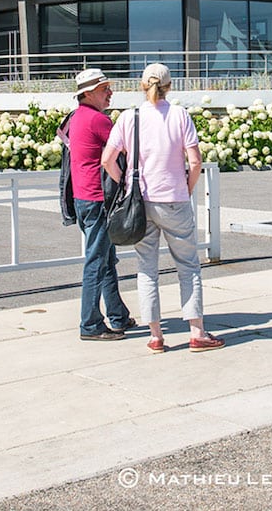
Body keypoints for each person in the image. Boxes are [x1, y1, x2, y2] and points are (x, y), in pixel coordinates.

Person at [102, 63, 224, 354]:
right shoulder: (180, 115)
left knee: (146, 269)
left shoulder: (129, 117)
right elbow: (195, 162)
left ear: (142, 86)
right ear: (170, 86)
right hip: (175, 199)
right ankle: (197, 332)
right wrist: (187, 187)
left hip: (141, 202)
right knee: (188, 267)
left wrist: (125, 186)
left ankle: (156, 336)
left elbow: (107, 160)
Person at [68, 68, 136, 342]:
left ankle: (118, 315)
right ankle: (90, 324)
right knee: (97, 261)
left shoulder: (76, 118)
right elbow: (127, 150)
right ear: (88, 93)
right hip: (98, 200)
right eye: (104, 89)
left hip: (84, 198)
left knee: (105, 259)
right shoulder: (98, 120)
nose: (110, 92)